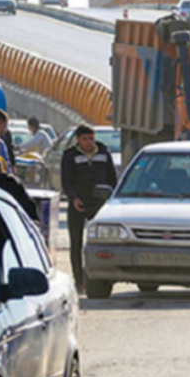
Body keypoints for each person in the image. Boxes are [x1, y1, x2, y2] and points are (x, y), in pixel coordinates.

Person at [62, 124, 118, 293]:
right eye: (85, 139)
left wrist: (111, 200)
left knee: (99, 243)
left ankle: (99, 279)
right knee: (76, 243)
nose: (89, 142)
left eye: (91, 138)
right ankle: (79, 281)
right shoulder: (70, 155)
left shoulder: (103, 153)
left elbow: (112, 178)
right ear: (78, 139)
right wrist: (73, 198)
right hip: (78, 204)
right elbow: (66, 180)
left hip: (99, 205)